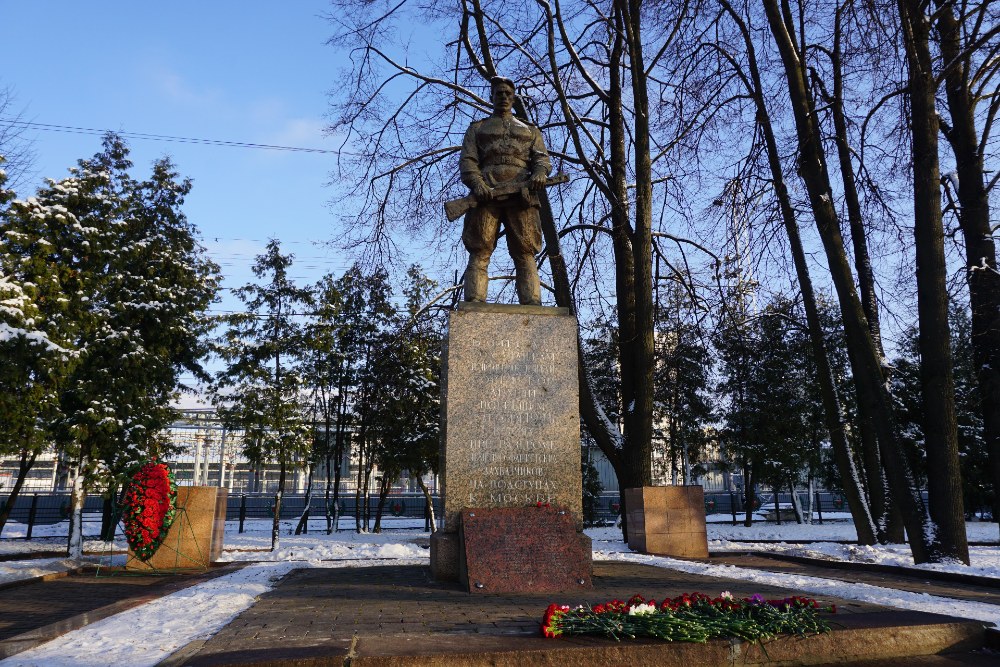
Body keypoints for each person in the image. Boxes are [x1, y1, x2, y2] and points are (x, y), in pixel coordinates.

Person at [459, 76, 551, 305]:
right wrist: (478, 185)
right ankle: (474, 301)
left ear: (514, 97)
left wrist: (540, 174)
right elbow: (468, 161)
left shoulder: (530, 131)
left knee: (526, 251)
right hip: (486, 195)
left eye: (508, 94)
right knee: (480, 249)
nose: (504, 97)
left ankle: (532, 303)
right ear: (491, 96)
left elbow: (541, 159)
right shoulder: (478, 129)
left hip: (522, 196)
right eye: (499, 93)